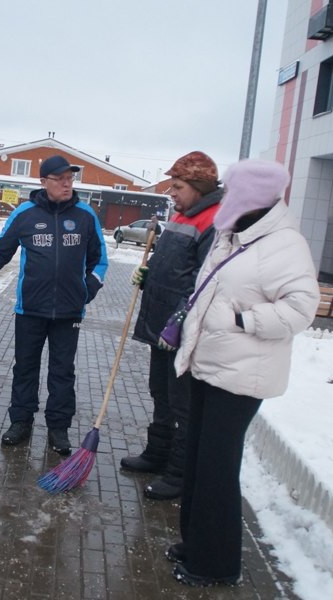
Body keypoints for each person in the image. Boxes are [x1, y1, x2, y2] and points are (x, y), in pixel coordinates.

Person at [169, 159, 320, 586]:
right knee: (199, 465)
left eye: (232, 190)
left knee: (217, 470)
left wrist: (241, 321)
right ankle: (195, 544)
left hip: (241, 376)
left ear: (251, 195)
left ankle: (216, 567)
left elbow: (301, 308)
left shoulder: (285, 243)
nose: (225, 197)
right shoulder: (232, 235)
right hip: (209, 366)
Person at [0, 155, 108, 455]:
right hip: (30, 310)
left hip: (69, 312)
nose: (66, 183)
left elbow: (100, 260)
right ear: (43, 182)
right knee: (25, 368)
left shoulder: (86, 215)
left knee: (62, 372)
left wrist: (88, 289)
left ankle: (58, 428)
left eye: (70, 178)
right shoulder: (26, 214)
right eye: (59, 178)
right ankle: (20, 421)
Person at [122, 151, 223, 501]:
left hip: (180, 330)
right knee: (159, 393)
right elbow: (173, 266)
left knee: (181, 403)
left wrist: (179, 321)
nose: (171, 192)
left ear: (198, 186)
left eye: (177, 186)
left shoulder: (214, 222)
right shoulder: (183, 214)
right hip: (159, 322)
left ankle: (179, 472)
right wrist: (150, 276)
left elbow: (203, 281)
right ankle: (157, 453)